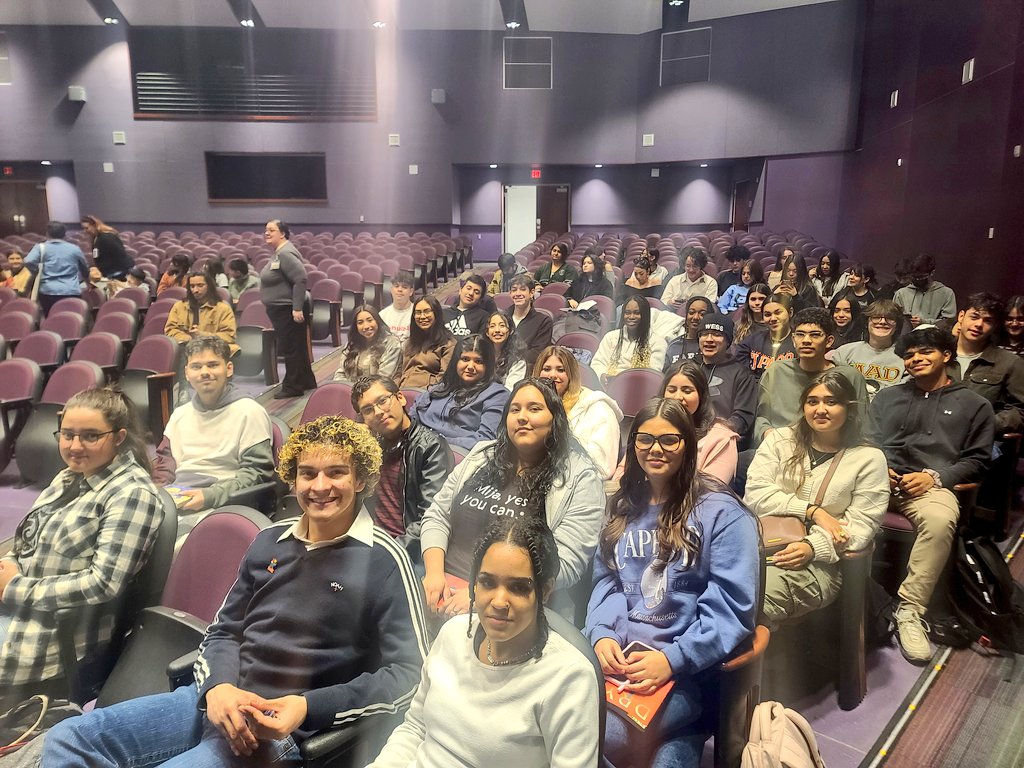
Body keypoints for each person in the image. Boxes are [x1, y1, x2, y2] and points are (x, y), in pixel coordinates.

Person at [43, 415, 429, 767]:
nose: (320, 486)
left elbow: (411, 674)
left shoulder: (385, 559)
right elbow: (223, 631)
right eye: (307, 474)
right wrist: (218, 687)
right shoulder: (268, 541)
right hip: (216, 699)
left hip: (279, 725)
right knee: (68, 738)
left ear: (360, 479)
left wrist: (307, 707)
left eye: (336, 473)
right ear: (293, 481)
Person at [586, 397, 759, 768]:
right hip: (621, 665)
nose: (656, 449)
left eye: (670, 440)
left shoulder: (722, 512)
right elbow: (608, 583)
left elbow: (732, 608)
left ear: (688, 445)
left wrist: (672, 660)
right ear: (632, 446)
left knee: (590, 733)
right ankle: (682, 740)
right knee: (570, 723)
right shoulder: (623, 506)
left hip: (686, 672)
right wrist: (601, 633)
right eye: (645, 439)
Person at [367, 517, 600, 768]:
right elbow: (415, 728)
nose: (499, 601)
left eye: (518, 587)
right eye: (487, 582)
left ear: (544, 591)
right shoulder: (453, 635)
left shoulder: (569, 678)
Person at [0, 388, 163, 696]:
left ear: (118, 437)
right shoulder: (68, 477)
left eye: (90, 436)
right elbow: (27, 542)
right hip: (20, 606)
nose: (75, 446)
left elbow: (103, 584)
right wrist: (8, 565)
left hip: (53, 632)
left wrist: (14, 588)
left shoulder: (131, 494)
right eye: (67, 434)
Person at [420, 378, 605, 618]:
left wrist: (483, 592)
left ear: (555, 419)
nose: (522, 417)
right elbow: (437, 516)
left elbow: (567, 563)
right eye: (514, 409)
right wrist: (434, 574)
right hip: (441, 586)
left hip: (512, 605)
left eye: (535, 409)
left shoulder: (581, 477)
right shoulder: (481, 455)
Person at [869, 327, 995, 664]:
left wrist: (934, 477)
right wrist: (879, 466)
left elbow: (979, 460)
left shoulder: (974, 404)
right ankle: (850, 596)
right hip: (879, 480)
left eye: (925, 352)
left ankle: (910, 610)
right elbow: (867, 440)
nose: (915, 359)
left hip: (931, 487)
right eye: (909, 355)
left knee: (940, 520)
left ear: (946, 356)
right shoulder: (887, 397)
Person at [745, 371, 888, 627]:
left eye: (831, 402)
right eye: (812, 401)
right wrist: (812, 511)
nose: (820, 409)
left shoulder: (869, 458)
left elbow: (862, 526)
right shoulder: (779, 440)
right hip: (757, 547)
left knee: (747, 599)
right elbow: (755, 495)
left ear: (849, 408)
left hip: (820, 563)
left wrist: (813, 547)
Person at [153, 336, 274, 513]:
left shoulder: (249, 412)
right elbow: (165, 466)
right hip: (179, 499)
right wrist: (158, 493)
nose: (204, 372)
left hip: (224, 502)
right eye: (196, 367)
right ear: (187, 373)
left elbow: (257, 473)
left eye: (212, 365)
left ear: (229, 368)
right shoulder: (180, 414)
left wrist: (210, 496)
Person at [352, 375, 454, 560]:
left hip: (406, 550)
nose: (378, 412)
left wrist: (388, 552)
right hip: (367, 542)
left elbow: (429, 518)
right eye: (368, 410)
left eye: (383, 401)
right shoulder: (370, 447)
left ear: (400, 398)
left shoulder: (431, 447)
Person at [753, 308, 870, 445]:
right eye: (800, 334)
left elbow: (863, 422)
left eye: (815, 335)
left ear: (829, 341)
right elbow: (762, 417)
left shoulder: (850, 376)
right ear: (793, 339)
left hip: (834, 447)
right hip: (782, 445)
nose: (806, 341)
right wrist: (767, 433)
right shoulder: (776, 371)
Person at [410, 334, 510, 452]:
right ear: (455, 362)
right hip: (417, 447)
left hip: (456, 455)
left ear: (487, 366)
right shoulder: (443, 387)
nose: (470, 366)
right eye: (465, 359)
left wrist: (437, 441)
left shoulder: (497, 394)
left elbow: (485, 440)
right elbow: (414, 414)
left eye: (478, 361)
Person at [535, 346, 622, 480]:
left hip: (579, 485)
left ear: (571, 374)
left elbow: (604, 467)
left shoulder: (598, 407)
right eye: (546, 369)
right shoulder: (530, 406)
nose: (552, 375)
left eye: (561, 370)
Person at [260, 219, 317, 399]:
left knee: (290, 347)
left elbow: (300, 279)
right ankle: (306, 381)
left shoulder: (285, 253)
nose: (266, 233)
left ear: (282, 233)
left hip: (287, 309)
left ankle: (292, 386)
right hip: (284, 308)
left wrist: (297, 308)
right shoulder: (280, 252)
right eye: (266, 230)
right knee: (297, 346)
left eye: (271, 230)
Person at [952, 292, 1024, 433]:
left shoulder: (1009, 362)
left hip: (981, 442)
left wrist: (985, 425)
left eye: (988, 321)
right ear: (961, 316)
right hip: (933, 437)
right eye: (974, 317)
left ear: (995, 326)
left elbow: (1020, 410)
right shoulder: (939, 356)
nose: (979, 324)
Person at [661, 361, 740, 483]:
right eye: (671, 390)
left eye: (687, 391)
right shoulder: (649, 426)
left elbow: (711, 492)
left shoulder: (721, 439)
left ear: (701, 395)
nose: (677, 397)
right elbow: (623, 473)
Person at [691, 315, 756, 442]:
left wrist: (719, 431)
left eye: (716, 334)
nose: (709, 339)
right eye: (704, 334)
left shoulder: (741, 373)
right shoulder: (686, 367)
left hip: (721, 439)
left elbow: (742, 417)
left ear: (727, 341)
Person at [831, 299, 906, 399]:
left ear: (897, 326)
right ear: (866, 323)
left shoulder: (907, 357)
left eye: (890, 318)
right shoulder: (844, 352)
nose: (882, 322)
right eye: (876, 317)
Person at [592, 295, 668, 383]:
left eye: (636, 313)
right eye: (627, 313)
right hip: (609, 385)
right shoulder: (611, 337)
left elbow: (653, 373)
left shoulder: (658, 342)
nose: (631, 317)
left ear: (645, 315)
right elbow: (598, 363)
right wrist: (602, 375)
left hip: (639, 387)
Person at [164, 270, 238, 354]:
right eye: (192, 286)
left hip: (213, 351)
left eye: (200, 285)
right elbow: (170, 330)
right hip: (184, 350)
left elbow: (229, 336)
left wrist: (202, 336)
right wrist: (189, 339)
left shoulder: (223, 309)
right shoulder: (179, 306)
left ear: (209, 286)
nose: (195, 290)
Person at [24, 220, 89, 316]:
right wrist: (88, 282)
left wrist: (36, 271)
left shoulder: (41, 247)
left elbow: (28, 261)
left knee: (52, 319)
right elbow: (85, 268)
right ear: (64, 234)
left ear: (47, 233)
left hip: (48, 291)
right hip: (71, 290)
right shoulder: (74, 248)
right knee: (73, 318)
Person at [396, 296, 456, 389]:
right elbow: (398, 373)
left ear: (436, 313)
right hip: (402, 391)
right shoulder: (409, 342)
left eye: (427, 311)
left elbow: (444, 378)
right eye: (418, 313)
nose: (422, 316)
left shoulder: (448, 344)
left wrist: (425, 392)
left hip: (426, 395)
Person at [333, 304, 403, 383]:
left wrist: (357, 392)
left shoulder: (392, 343)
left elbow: (383, 378)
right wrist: (344, 389)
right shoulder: (352, 343)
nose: (366, 326)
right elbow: (340, 373)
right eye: (360, 322)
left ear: (377, 321)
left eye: (370, 320)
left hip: (378, 391)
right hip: (350, 391)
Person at [734, 292, 796, 379]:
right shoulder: (752, 341)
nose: (773, 318)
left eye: (778, 313)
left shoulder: (799, 341)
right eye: (767, 315)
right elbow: (741, 372)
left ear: (790, 312)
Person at [893, 253, 957, 328]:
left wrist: (924, 322)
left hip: (932, 337)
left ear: (932, 273)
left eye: (921, 277)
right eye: (914, 277)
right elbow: (893, 318)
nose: (916, 280)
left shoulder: (947, 293)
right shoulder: (901, 293)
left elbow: (948, 322)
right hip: (905, 337)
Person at [507, 274, 553, 368]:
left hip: (525, 369)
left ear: (531, 293)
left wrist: (511, 361)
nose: (518, 293)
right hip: (498, 369)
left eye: (523, 289)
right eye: (514, 290)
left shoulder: (543, 321)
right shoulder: (502, 317)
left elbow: (537, 352)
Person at [664, 296, 713, 368]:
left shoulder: (712, 345)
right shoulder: (674, 345)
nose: (696, 317)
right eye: (691, 312)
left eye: (702, 314)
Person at [81, 215, 133, 281]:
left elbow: (120, 256)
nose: (85, 231)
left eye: (87, 228)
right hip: (109, 273)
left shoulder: (107, 237)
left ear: (94, 225)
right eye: (83, 228)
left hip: (119, 274)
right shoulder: (96, 238)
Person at [486, 310, 529, 388]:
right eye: (492, 326)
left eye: (502, 325)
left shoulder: (517, 361)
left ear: (510, 331)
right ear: (487, 333)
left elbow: (509, 391)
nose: (497, 330)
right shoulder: (480, 355)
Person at [379, 270, 415, 342]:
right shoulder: (382, 315)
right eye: (396, 286)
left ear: (411, 292)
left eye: (404, 287)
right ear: (391, 290)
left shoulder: (417, 313)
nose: (399, 290)